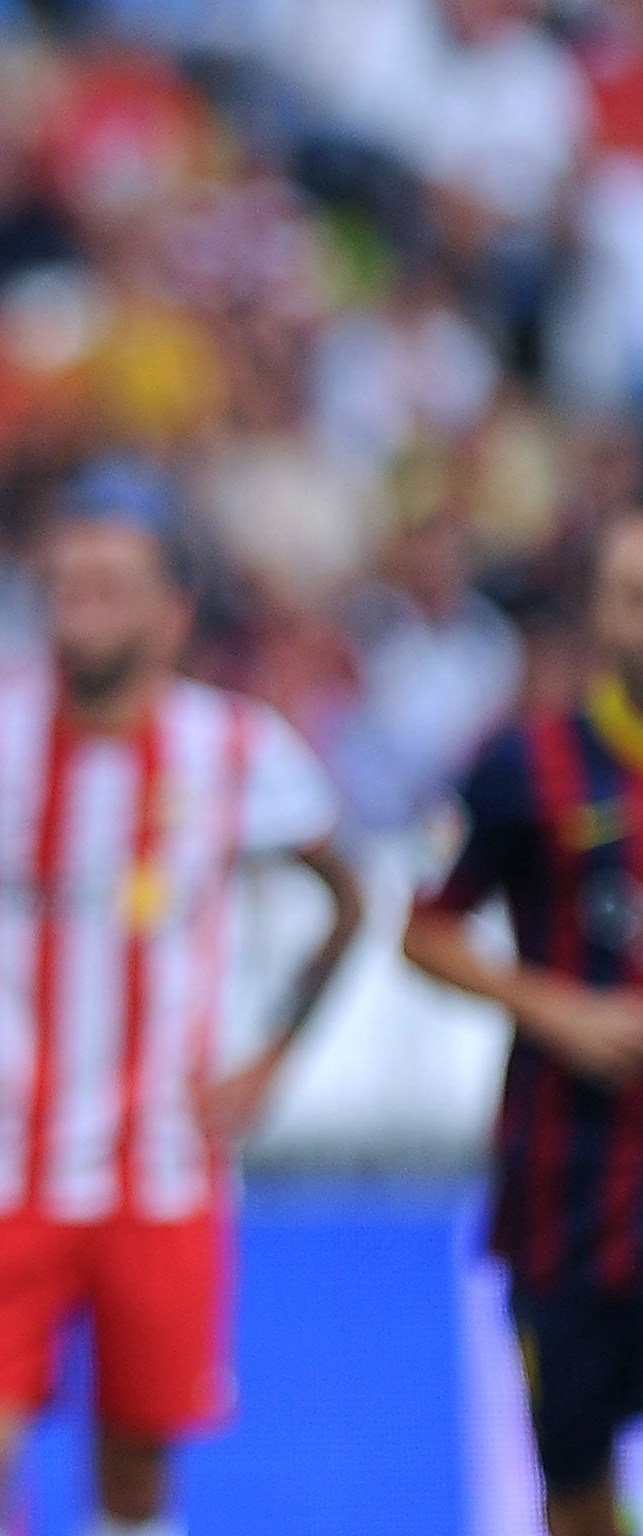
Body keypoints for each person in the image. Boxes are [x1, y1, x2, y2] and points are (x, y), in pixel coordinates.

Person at [0, 463, 363, 1536]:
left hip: (161, 1169)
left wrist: (271, 1058)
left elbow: (346, 902)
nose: (81, 608)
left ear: (171, 615)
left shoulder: (235, 747)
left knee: (132, 1477)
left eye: (110, 587)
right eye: (67, 585)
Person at [404, 506, 643, 1536]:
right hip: (567, 1196)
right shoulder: (522, 767)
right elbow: (424, 930)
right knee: (575, 1478)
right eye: (635, 596)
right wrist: (556, 1009)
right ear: (595, 615)